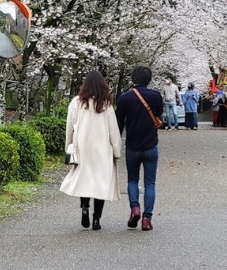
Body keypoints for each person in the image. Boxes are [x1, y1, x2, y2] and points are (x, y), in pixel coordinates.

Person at [60, 71, 123, 231]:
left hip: (83, 148)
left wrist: (68, 147)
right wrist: (117, 151)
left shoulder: (76, 103)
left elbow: (70, 127)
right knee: (101, 183)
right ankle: (96, 219)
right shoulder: (106, 105)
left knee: (84, 180)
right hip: (102, 149)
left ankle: (84, 207)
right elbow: (113, 131)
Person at [116, 66, 163, 231]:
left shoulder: (125, 97)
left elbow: (119, 123)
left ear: (133, 79)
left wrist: (115, 144)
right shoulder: (156, 96)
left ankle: (135, 208)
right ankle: (147, 219)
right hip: (151, 145)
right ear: (149, 79)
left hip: (133, 146)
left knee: (132, 179)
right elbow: (159, 113)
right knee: (150, 183)